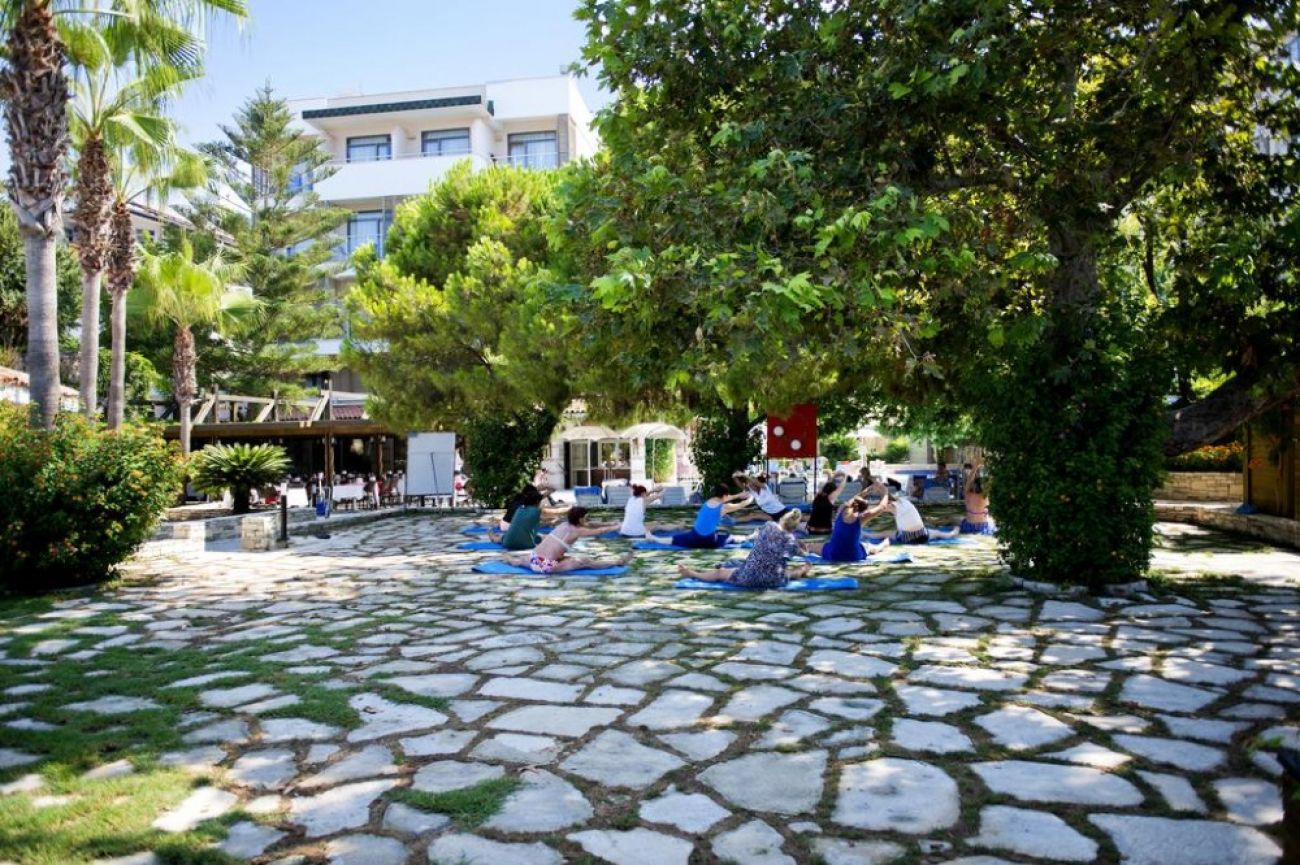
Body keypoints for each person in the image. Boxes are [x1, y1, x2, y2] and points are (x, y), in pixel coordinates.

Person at [677, 510, 810, 588]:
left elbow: (759, 536)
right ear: (794, 528)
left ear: (782, 519)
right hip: (773, 580)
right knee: (789, 572)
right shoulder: (792, 542)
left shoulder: (769, 526)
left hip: (748, 577)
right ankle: (805, 568)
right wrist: (802, 547)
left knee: (720, 573)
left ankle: (693, 573)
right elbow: (801, 552)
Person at [504, 507, 631, 574]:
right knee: (584, 561)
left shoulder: (565, 525)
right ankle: (618, 562)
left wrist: (610, 523)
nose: (587, 520)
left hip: (533, 558)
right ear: (580, 519)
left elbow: (591, 524)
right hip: (545, 565)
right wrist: (616, 527)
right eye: (586, 517)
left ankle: (511, 560)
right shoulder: (576, 531)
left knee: (520, 561)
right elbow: (599, 531)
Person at [649, 485, 752, 548]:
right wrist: (751, 496)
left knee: (675, 539)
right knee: (729, 538)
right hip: (709, 540)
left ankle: (654, 538)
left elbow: (725, 497)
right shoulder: (724, 507)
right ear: (725, 495)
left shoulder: (708, 501)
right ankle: (750, 537)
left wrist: (738, 495)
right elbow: (742, 504)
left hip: (694, 537)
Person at [803, 492, 894, 561]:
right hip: (853, 556)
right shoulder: (861, 517)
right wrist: (885, 491)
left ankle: (800, 547)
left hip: (833, 555)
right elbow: (882, 507)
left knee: (812, 546)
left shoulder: (841, 509)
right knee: (870, 548)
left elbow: (852, 500)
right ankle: (883, 544)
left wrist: (867, 491)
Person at [866, 492, 960, 544]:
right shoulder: (905, 501)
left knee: (886, 533)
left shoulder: (892, 506)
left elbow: (876, 509)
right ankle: (953, 532)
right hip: (923, 535)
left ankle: (867, 535)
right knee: (938, 533)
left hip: (907, 538)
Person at [489, 490, 569, 550]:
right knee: (545, 537)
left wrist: (551, 521)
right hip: (526, 545)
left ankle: (493, 537)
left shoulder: (520, 509)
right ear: (537, 502)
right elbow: (557, 511)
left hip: (507, 543)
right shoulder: (537, 511)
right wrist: (570, 508)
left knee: (502, 537)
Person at [960, 461, 995, 534]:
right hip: (983, 526)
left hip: (969, 526)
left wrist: (975, 467)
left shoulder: (967, 494)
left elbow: (969, 481)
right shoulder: (985, 496)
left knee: (953, 519)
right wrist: (989, 465)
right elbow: (990, 481)